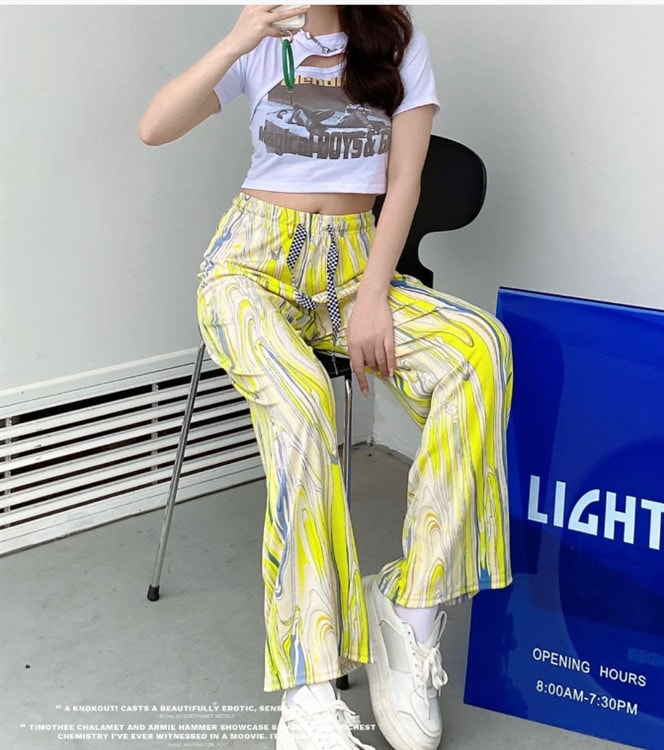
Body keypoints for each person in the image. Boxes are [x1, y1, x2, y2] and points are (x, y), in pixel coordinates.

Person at [139, 5, 513, 750]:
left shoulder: (396, 41)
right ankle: (309, 686)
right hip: (249, 266)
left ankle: (410, 610)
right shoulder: (261, 39)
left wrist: (374, 295)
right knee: (304, 401)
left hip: (353, 267)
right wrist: (239, 39)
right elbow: (155, 126)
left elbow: (404, 180)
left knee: (480, 351)